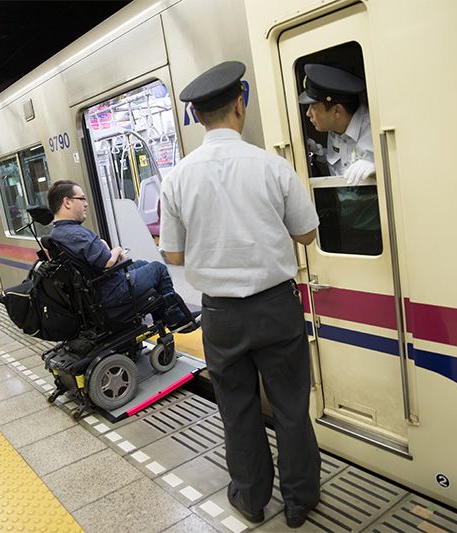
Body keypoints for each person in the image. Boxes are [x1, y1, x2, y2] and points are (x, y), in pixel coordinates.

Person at [159, 61, 321, 528]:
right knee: (291, 406)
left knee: (237, 408)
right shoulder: (272, 166)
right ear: (239, 105)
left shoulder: (177, 177)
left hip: (221, 316)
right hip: (276, 307)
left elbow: (173, 254)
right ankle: (300, 501)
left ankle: (250, 499)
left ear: (197, 116)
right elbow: (308, 233)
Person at [46, 180, 196, 330]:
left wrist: (103, 247)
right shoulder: (76, 234)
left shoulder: (57, 233)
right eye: (82, 199)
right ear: (67, 202)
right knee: (158, 269)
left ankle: (162, 317)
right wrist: (117, 250)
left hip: (96, 288)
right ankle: (175, 318)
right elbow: (107, 262)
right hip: (110, 290)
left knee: (142, 264)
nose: (86, 204)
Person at [301, 63, 381, 255]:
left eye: (313, 107)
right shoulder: (335, 129)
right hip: (348, 225)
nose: (308, 113)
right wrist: (319, 153)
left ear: (336, 111)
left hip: (378, 231)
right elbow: (340, 165)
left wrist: (379, 166)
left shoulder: (375, 127)